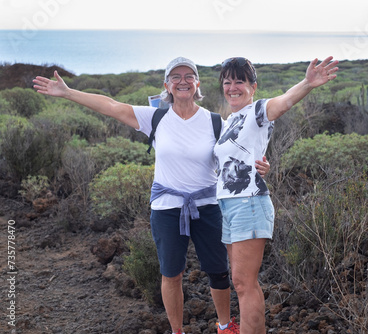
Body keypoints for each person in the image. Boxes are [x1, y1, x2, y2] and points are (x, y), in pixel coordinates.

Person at [33, 56, 270, 334]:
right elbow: (110, 106)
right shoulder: (154, 117)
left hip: (208, 206)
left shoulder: (215, 121)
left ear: (197, 83)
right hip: (167, 208)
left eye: (188, 76)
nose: (182, 81)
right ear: (167, 85)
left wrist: (261, 165)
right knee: (172, 274)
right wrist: (68, 92)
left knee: (218, 271)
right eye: (176, 77)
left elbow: (234, 155)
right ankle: (177, 331)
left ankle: (224, 325)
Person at [214, 56, 339, 333]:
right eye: (227, 82)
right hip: (227, 206)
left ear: (253, 86)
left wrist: (307, 83)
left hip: (249, 203)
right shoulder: (229, 121)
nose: (233, 87)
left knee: (245, 283)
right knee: (240, 282)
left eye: (240, 81)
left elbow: (283, 102)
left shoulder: (258, 110)